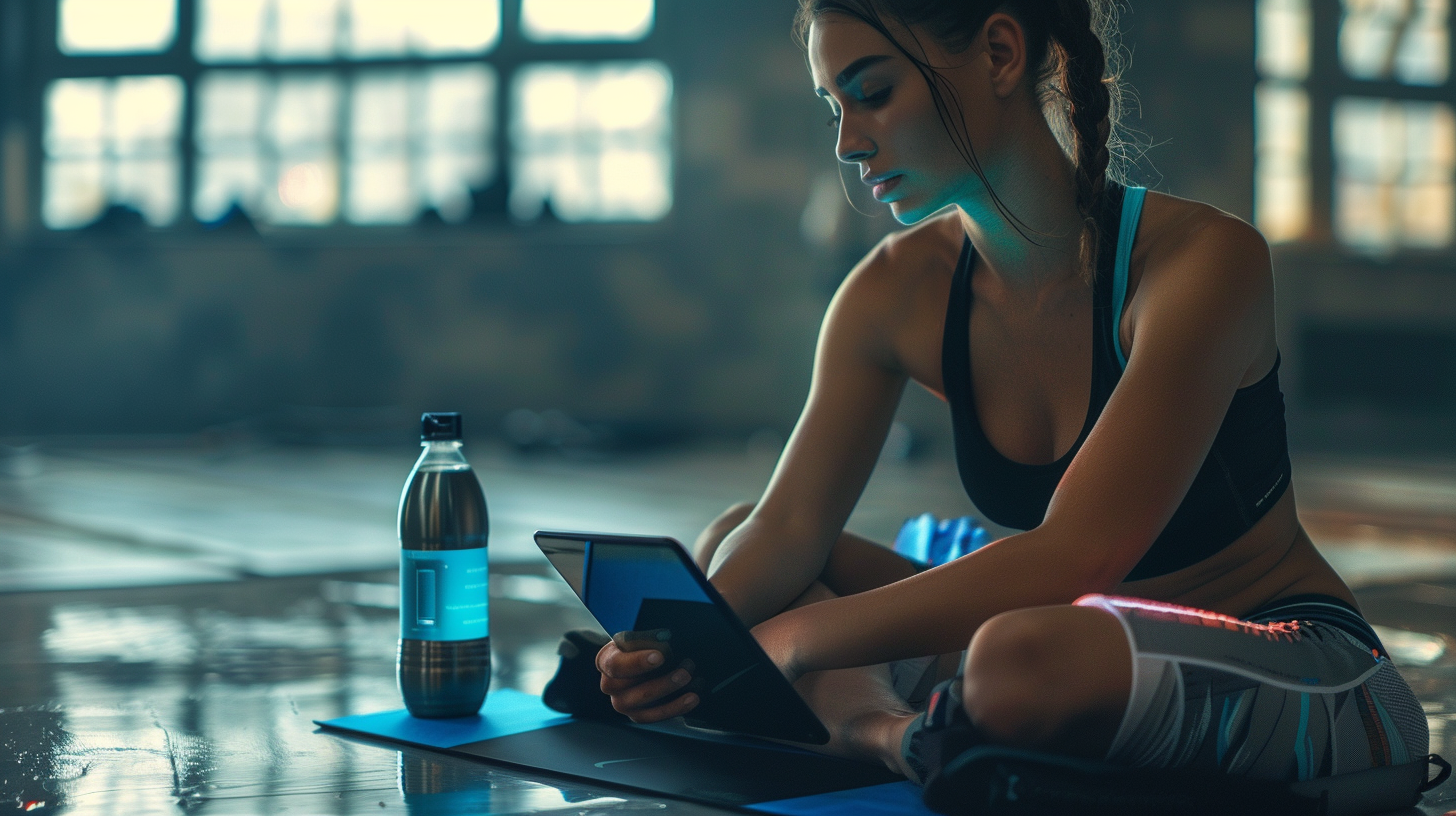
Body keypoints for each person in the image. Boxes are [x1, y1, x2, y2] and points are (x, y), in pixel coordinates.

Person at [591, 0, 1431, 805]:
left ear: (999, 53)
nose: (848, 141)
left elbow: (1077, 555)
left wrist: (783, 644)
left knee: (1015, 659)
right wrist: (682, 650)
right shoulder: (890, 292)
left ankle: (935, 725)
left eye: (874, 92)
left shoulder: (1203, 262)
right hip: (1070, 647)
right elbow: (787, 528)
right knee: (733, 543)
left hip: (1290, 660)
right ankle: (894, 739)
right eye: (833, 106)